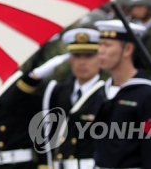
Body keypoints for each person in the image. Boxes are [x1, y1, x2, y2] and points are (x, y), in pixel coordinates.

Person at [93, 20, 151, 169]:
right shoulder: (103, 91)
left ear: (127, 49)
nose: (100, 51)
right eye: (100, 44)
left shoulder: (147, 95)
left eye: (107, 45)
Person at [41, 28, 105, 169]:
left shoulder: (105, 93)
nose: (82, 62)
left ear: (100, 59)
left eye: (89, 56)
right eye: (76, 56)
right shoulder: (57, 92)